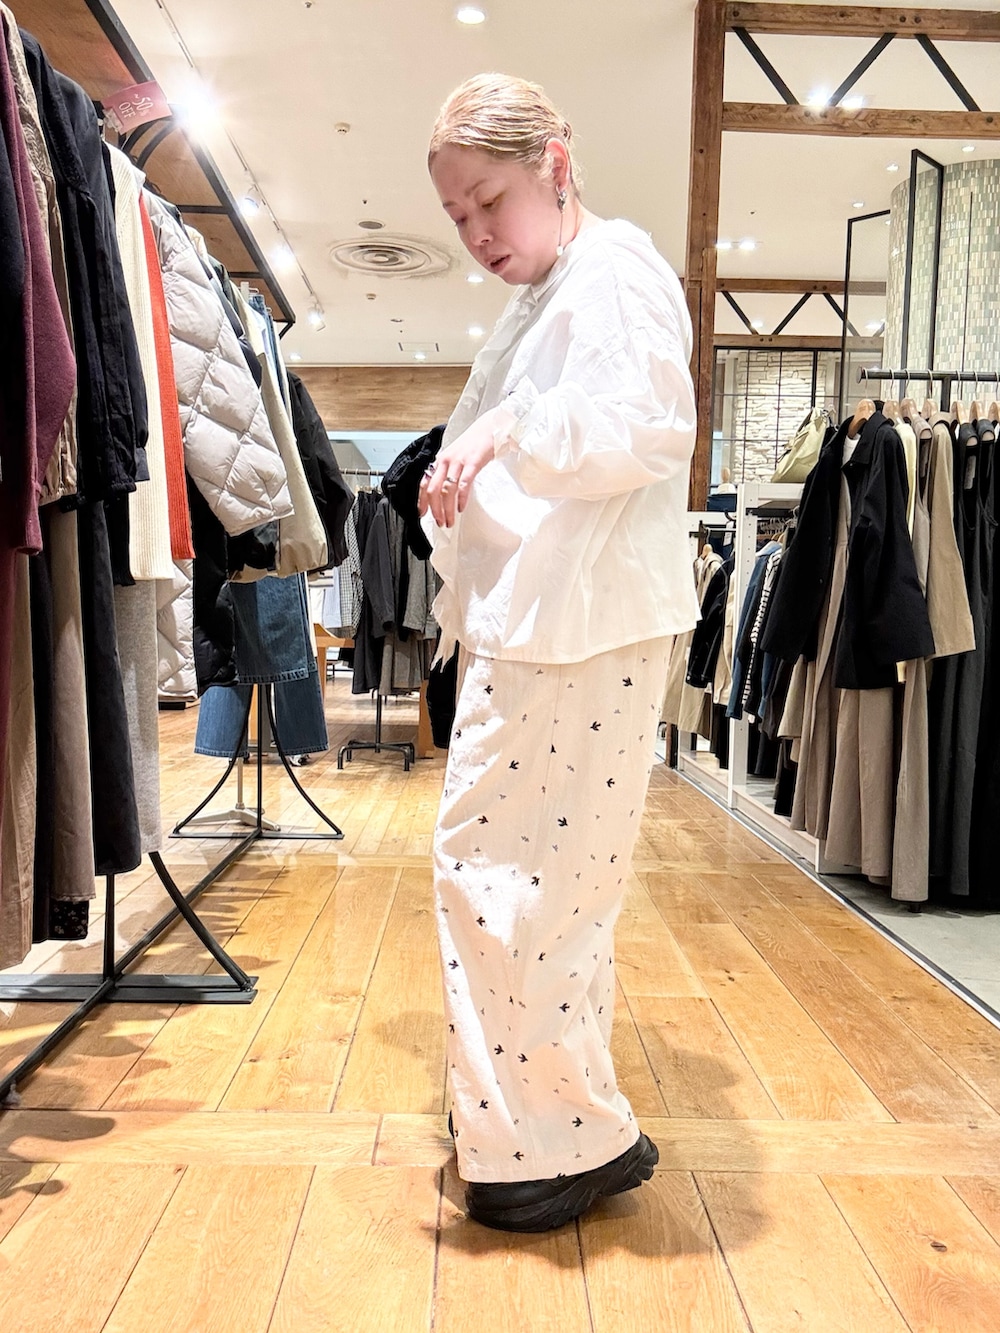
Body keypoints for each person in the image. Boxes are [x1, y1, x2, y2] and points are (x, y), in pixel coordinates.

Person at [419, 73, 699, 1233]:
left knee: (524, 884)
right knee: (518, 881)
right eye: (458, 216)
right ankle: (540, 1131)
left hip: (581, 627)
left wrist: (502, 426)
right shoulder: (552, 292)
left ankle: (543, 1140)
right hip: (552, 624)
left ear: (557, 166)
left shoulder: (613, 270)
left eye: (489, 200)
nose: (477, 233)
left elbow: (648, 423)